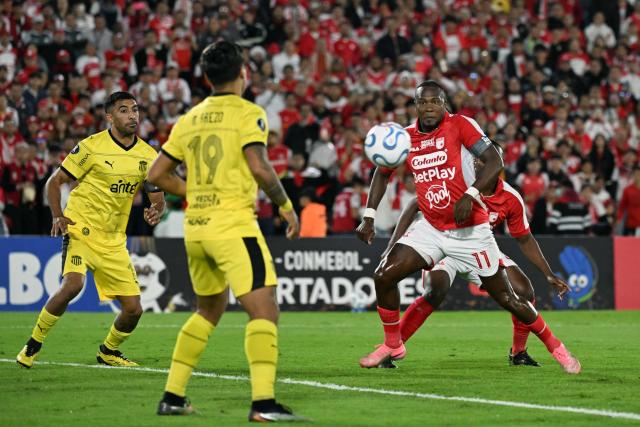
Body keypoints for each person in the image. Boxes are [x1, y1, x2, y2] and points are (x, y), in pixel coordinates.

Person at [355, 81, 580, 374]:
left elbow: (494, 159)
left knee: (510, 297)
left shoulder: (460, 125)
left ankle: (557, 348)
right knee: (384, 276)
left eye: (436, 102)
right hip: (432, 230)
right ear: (415, 105)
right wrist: (369, 215)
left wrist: (470, 195)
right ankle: (393, 344)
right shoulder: (405, 137)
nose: (430, 107)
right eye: (424, 102)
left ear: (444, 103)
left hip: (470, 233)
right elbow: (382, 173)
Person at [146, 41, 305, 422]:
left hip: (196, 228)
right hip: (233, 225)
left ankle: (172, 395)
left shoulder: (189, 119)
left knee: (208, 309)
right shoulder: (249, 113)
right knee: (264, 307)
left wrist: (194, 190)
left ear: (204, 77)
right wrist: (285, 206)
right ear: (243, 73)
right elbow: (260, 166)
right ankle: (264, 404)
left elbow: (155, 175)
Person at [380, 146, 570, 368]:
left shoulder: (510, 197)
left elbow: (525, 239)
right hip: (444, 244)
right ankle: (392, 349)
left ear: (497, 164)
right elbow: (414, 204)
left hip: (479, 247)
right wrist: (393, 244)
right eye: (476, 158)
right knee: (435, 290)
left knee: (524, 291)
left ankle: (518, 353)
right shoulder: (456, 180)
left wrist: (547, 273)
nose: (479, 162)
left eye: (485, 158)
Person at [16, 92, 165, 369]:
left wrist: (156, 210)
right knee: (73, 284)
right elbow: (54, 181)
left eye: (135, 109)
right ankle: (33, 343)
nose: (133, 115)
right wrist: (58, 216)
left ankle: (108, 351)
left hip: (113, 240)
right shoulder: (91, 147)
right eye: (124, 110)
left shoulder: (147, 155)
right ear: (110, 117)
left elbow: (157, 195)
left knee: (133, 310)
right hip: (81, 227)